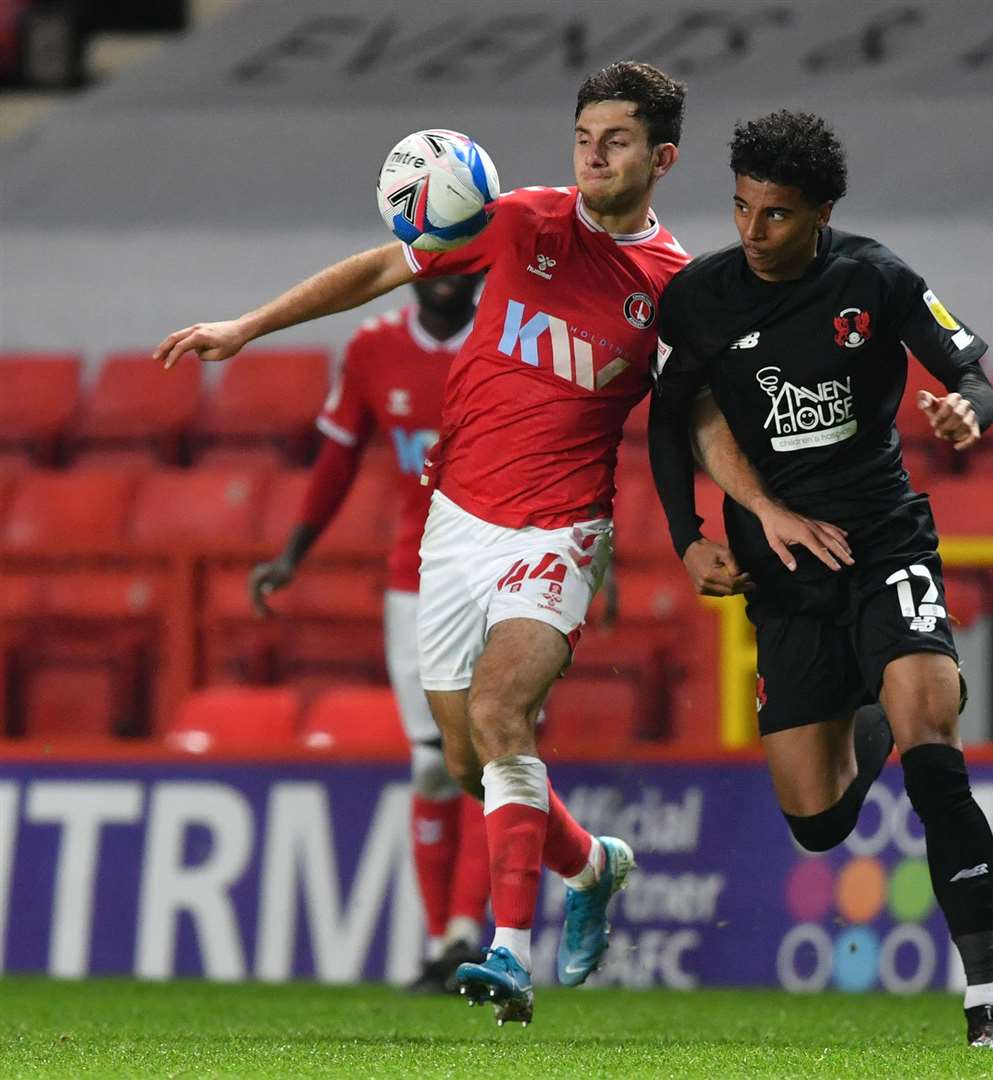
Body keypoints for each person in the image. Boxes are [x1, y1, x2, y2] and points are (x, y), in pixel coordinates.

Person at [156, 61, 702, 1026]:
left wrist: (737, 518)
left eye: (616, 141)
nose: (593, 157)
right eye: (584, 137)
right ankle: (593, 865)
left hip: (562, 529)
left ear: (661, 158)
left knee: (501, 718)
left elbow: (702, 421)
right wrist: (248, 326)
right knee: (463, 758)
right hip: (456, 523)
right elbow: (381, 266)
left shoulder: (675, 288)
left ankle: (506, 952)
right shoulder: (524, 220)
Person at [647, 111, 993, 1049]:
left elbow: (973, 372)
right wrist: (689, 538)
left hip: (884, 543)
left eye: (775, 215)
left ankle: (988, 1004)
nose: (751, 231)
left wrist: (968, 414)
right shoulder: (699, 299)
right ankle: (871, 721)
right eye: (740, 208)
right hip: (784, 575)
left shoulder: (877, 278)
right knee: (816, 823)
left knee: (932, 734)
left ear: (822, 212)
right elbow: (668, 420)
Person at [247, 275, 492, 993]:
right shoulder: (372, 348)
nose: (445, 270)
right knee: (434, 765)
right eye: (431, 253)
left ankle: (469, 938)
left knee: (496, 758)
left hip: (504, 573)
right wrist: (292, 553)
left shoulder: (508, 337)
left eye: (460, 253)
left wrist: (589, 561)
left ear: (479, 265)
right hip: (414, 585)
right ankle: (441, 939)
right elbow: (338, 458)